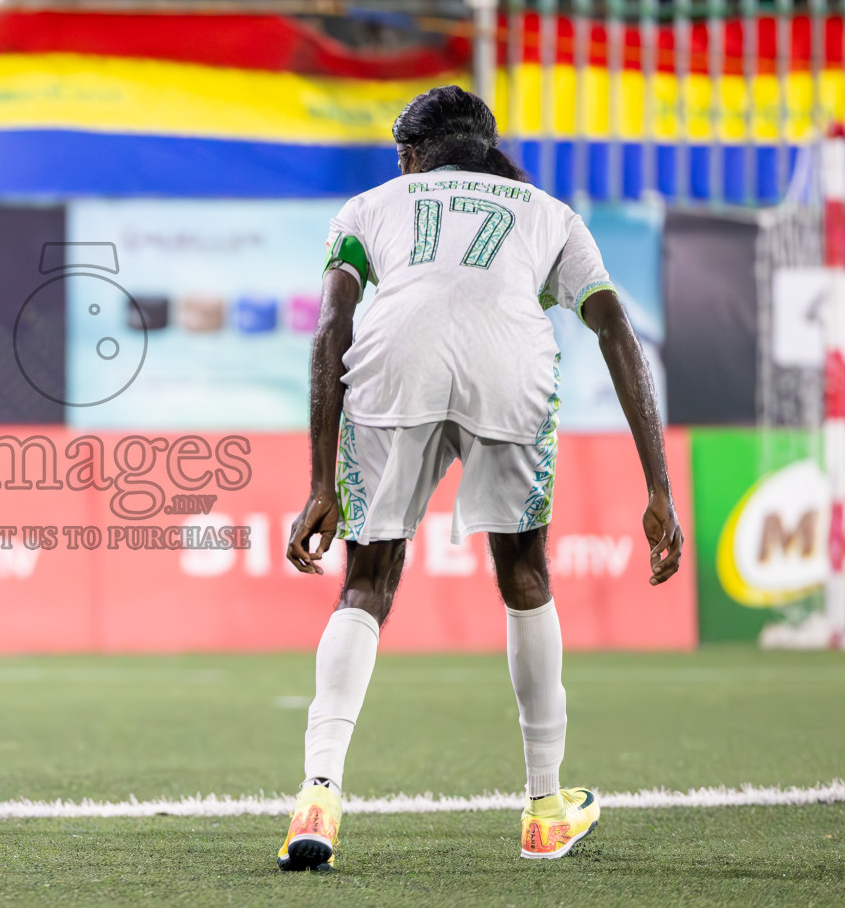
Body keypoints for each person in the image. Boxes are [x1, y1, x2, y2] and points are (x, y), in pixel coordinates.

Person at [277, 86, 683, 870]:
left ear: (409, 157)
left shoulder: (370, 206)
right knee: (525, 575)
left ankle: (318, 793)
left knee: (366, 582)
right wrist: (658, 486)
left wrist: (320, 483)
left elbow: (332, 327)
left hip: (397, 362)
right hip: (512, 367)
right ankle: (544, 808)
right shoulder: (547, 213)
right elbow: (613, 328)